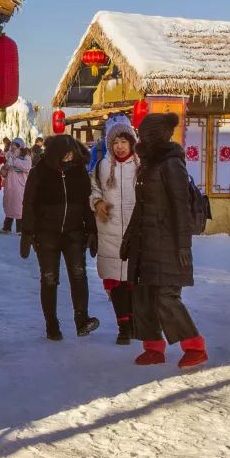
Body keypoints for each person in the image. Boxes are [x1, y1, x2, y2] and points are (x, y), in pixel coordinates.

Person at [120, 113, 207, 368]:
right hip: (144, 240)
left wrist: (183, 245)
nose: (140, 134)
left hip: (167, 240)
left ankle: (194, 345)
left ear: (156, 134)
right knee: (143, 294)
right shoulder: (148, 162)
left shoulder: (171, 163)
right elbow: (141, 205)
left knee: (166, 296)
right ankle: (153, 346)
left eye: (144, 131)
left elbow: (181, 207)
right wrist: (128, 239)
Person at [20, 135, 101, 341]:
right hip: (46, 234)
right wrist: (28, 232)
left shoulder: (79, 171)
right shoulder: (39, 173)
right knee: (49, 278)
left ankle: (82, 320)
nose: (70, 157)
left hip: (74, 233)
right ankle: (52, 325)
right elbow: (28, 203)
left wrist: (92, 229)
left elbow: (86, 203)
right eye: (65, 153)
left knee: (78, 274)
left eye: (72, 153)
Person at [90, 115, 138, 345]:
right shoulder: (102, 166)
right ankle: (123, 327)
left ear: (131, 142)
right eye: (115, 143)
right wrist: (97, 203)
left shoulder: (140, 165)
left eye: (123, 142)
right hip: (109, 230)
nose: (119, 147)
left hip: (135, 231)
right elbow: (94, 190)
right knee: (115, 281)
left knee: (133, 281)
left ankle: (135, 322)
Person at [0, 138, 31, 234]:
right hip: (10, 185)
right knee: (9, 205)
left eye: (15, 145)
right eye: (12, 145)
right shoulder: (9, 156)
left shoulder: (26, 156)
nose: (13, 147)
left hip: (20, 185)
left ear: (20, 146)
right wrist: (4, 169)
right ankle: (6, 228)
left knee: (19, 207)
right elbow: (4, 172)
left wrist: (14, 161)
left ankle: (20, 229)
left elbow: (27, 167)